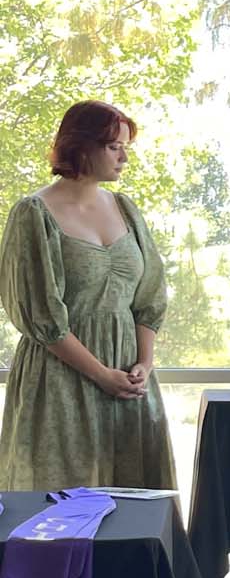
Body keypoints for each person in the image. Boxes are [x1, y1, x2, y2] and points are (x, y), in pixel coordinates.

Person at [0, 100, 174, 492]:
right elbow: (39, 315)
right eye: (114, 147)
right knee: (61, 504)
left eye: (125, 147)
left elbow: (149, 298)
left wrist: (144, 364)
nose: (124, 158)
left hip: (129, 381)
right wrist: (100, 375)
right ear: (81, 146)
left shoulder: (126, 209)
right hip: (61, 379)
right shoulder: (33, 213)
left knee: (134, 502)